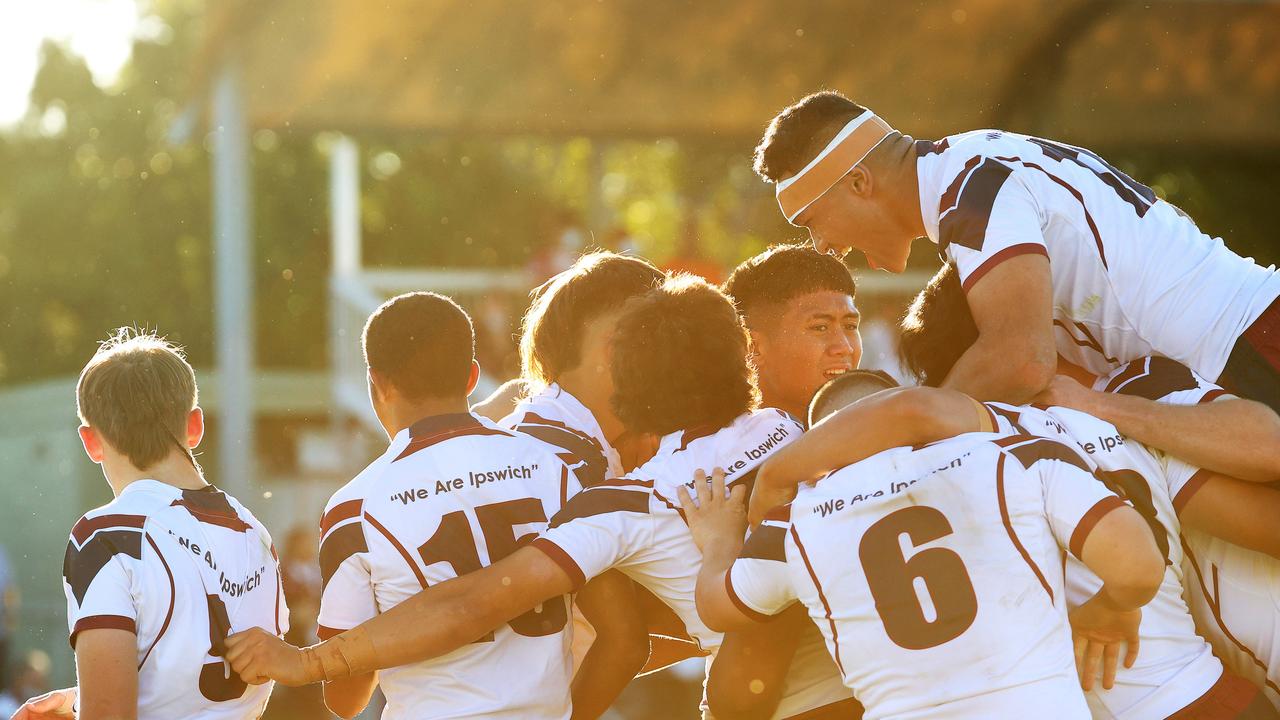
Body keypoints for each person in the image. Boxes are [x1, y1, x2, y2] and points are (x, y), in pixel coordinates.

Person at [222, 277, 852, 719]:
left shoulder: (618, 500)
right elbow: (629, 638)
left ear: (375, 384)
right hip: (868, 688)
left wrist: (310, 663)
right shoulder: (799, 430)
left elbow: (454, 618)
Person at [752, 90, 1280, 408]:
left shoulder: (968, 189)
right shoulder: (968, 166)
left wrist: (905, 434)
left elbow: (1020, 358)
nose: (822, 246)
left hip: (1251, 344)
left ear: (860, 183)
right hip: (1241, 342)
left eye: (812, 220)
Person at [686, 412, 1165, 718]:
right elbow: (1138, 569)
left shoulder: (796, 521)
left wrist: (718, 541)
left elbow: (717, 606)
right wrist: (1111, 608)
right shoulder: (1013, 457)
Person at [308, 291, 644, 719]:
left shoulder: (351, 507)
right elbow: (626, 640)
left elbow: (345, 699)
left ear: (378, 383)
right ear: (471, 377)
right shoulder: (559, 470)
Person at [12, 329, 287, 720]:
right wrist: (80, 701)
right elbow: (194, 684)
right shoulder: (254, 533)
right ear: (195, 426)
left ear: (90, 442)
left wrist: (91, 706)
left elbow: (110, 714)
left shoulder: (104, 536)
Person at [707, 243, 862, 719]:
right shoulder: (736, 458)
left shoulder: (824, 454)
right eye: (820, 328)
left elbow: (749, 682)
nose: (844, 346)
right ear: (753, 345)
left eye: (850, 326)